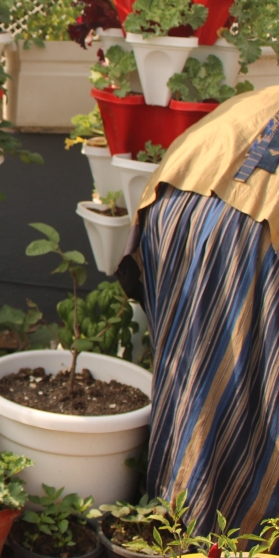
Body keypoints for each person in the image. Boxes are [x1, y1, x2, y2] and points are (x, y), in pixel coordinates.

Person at [122, 84, 279, 537]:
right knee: (249, 395)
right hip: (255, 236)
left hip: (178, 196)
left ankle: (177, 511)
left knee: (191, 373)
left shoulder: (259, 99)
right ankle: (226, 529)